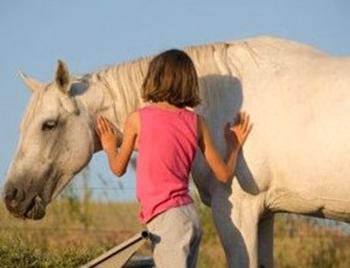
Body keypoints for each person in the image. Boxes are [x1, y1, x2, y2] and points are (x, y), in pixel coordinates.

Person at [95, 49, 252, 268]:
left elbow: (118, 167)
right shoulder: (197, 122)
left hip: (167, 221)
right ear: (188, 83)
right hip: (188, 216)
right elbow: (224, 175)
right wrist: (234, 146)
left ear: (154, 78)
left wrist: (109, 145)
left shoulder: (137, 119)